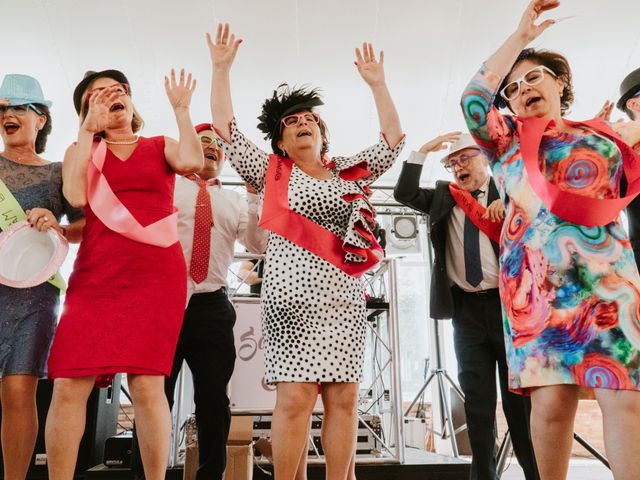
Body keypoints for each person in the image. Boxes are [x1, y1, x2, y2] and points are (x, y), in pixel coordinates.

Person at [208, 23, 404, 480]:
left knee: (344, 398)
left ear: (322, 133)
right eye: (291, 123)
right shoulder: (271, 170)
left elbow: (393, 142)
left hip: (342, 301)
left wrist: (378, 84)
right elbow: (226, 130)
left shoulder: (348, 174)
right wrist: (221, 70)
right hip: (290, 304)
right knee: (295, 399)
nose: (302, 124)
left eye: (309, 119)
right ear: (279, 141)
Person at [461, 1, 640, 479]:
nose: (522, 90)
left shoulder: (605, 135)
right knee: (552, 405)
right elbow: (474, 100)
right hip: (536, 290)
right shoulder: (505, 143)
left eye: (534, 78)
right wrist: (519, 37)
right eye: (513, 89)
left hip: (610, 284)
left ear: (561, 82)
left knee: (625, 398)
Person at [44, 68, 203, 480]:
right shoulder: (81, 150)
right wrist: (86, 132)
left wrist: (182, 111)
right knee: (68, 383)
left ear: (130, 100)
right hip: (96, 276)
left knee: (149, 385)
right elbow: (77, 196)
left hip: (155, 277)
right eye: (95, 96)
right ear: (85, 111)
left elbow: (193, 160)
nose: (108, 96)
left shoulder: (158, 145)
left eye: (116, 90)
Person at [394, 132, 539, 480]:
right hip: (465, 314)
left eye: (465, 158)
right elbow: (404, 194)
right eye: (451, 162)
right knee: (477, 405)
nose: (458, 167)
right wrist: (424, 150)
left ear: (483, 158)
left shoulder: (509, 190)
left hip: (509, 311)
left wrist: (512, 207)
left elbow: (539, 218)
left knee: (520, 405)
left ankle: (536, 474)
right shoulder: (444, 196)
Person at [130, 123, 268, 480]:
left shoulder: (235, 200)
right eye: (203, 141)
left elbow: (258, 244)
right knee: (153, 397)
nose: (212, 147)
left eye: (218, 145)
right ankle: (147, 474)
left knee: (213, 402)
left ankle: (211, 475)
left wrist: (255, 198)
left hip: (212, 307)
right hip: (163, 302)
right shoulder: (167, 185)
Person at [0, 74, 84, 480]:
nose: (8, 115)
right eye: (1, 109)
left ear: (41, 118)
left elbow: (84, 227)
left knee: (19, 392)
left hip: (33, 294)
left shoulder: (56, 173)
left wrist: (56, 224)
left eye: (18, 107)